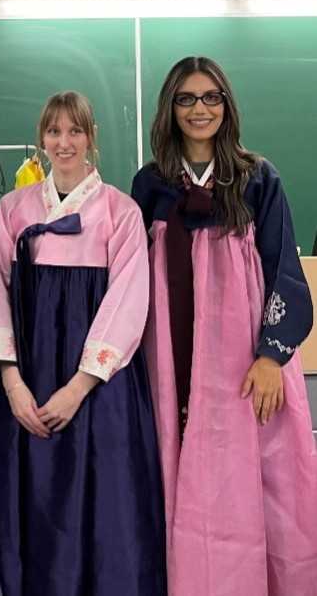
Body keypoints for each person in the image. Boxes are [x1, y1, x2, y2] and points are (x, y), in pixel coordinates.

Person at [131, 56, 317, 595]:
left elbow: (284, 267)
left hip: (243, 360)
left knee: (257, 479)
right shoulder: (150, 184)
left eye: (211, 97)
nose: (199, 109)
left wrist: (270, 357)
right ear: (171, 107)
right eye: (186, 98)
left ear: (227, 105)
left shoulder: (257, 178)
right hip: (171, 358)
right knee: (177, 467)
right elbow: (129, 274)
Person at [0, 92, 166, 595]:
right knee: (31, 502)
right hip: (28, 380)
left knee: (105, 502)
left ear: (91, 139)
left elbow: (129, 303)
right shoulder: (12, 209)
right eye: (54, 132)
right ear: (41, 139)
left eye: (75, 131)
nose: (64, 143)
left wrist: (78, 387)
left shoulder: (121, 212)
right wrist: (13, 384)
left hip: (99, 387)